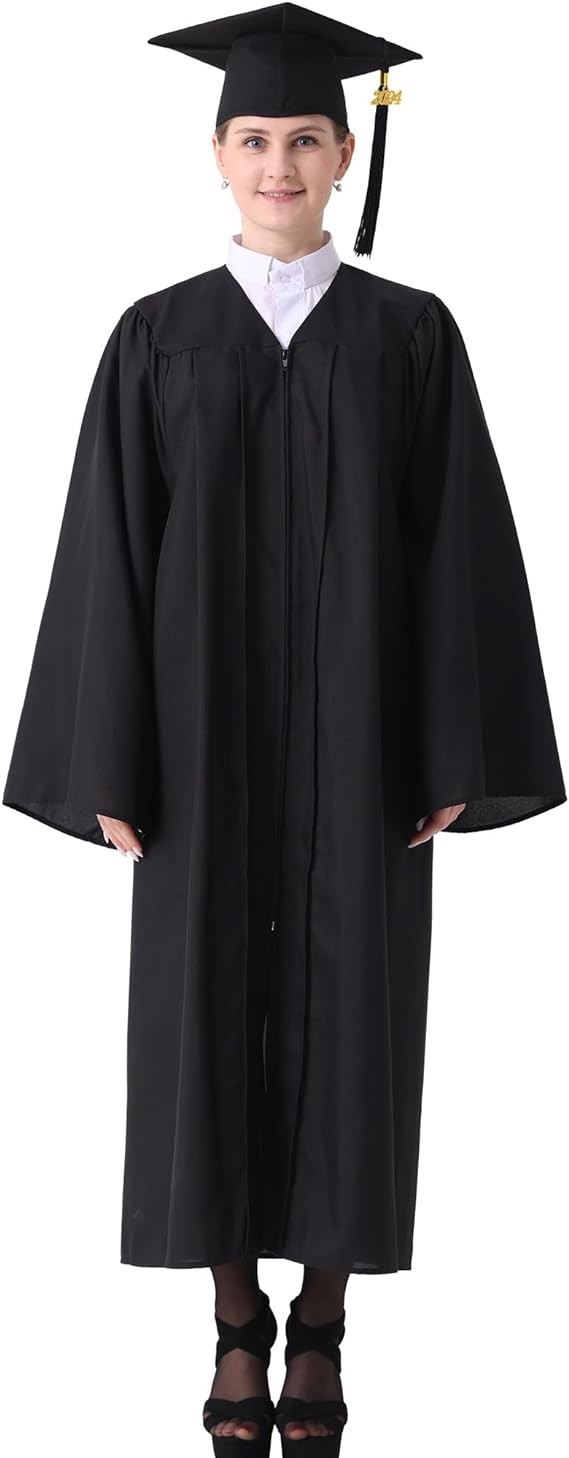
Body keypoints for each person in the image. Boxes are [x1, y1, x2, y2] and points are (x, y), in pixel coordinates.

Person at [2, 5, 566, 1456]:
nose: (278, 163)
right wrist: (108, 759)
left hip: (367, 751)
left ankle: (322, 1321)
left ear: (343, 155)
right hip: (194, 756)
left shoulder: (409, 335)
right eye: (253, 138)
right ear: (216, 155)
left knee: (357, 1017)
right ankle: (233, 1317)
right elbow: (108, 553)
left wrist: (449, 754)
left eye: (305, 138)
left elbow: (457, 550)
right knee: (199, 1020)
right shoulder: (156, 337)